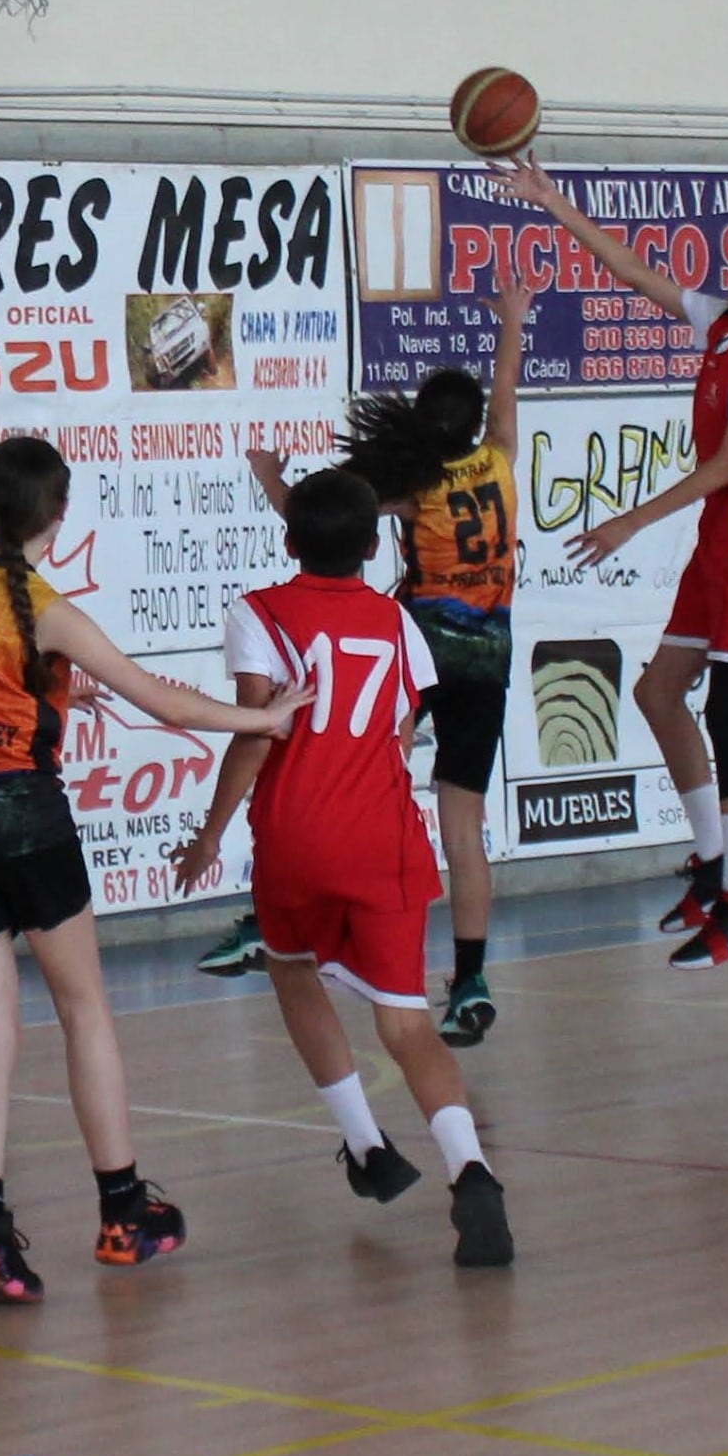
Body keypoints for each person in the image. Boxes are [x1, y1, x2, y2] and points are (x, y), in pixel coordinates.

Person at [0, 436, 308, 1306]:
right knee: (83, 1008)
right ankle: (123, 1207)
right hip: (20, 818)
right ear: (59, 514)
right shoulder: (48, 609)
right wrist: (267, 723)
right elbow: (157, 697)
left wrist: (45, 693)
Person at [492, 157, 728, 970]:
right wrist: (553, 204)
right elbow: (633, 271)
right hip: (722, 531)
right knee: (655, 690)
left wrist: (628, 523)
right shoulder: (725, 323)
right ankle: (719, 862)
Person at [174, 469, 515, 1267]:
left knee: (292, 975)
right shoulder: (399, 622)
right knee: (405, 1023)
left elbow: (257, 731)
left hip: (296, 837)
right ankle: (471, 1169)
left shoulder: (258, 612)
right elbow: (399, 733)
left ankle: (365, 1145)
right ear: (373, 546)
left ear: (287, 540)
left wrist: (209, 834)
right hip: (384, 838)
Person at [209, 271, 532, 1043]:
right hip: (490, 656)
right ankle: (472, 974)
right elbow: (507, 387)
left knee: (346, 766)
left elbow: (326, 523)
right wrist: (512, 319)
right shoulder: (499, 455)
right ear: (475, 423)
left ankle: (277, 916)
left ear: (420, 428)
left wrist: (270, 476)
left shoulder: (415, 485)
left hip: (423, 647)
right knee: (463, 819)